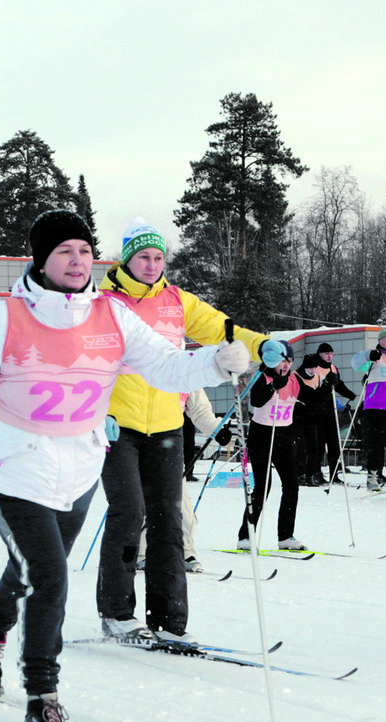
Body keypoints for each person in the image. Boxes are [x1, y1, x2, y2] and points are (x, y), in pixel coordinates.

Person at [0, 210, 249, 722]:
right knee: (50, 576)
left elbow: (165, 366)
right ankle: (43, 699)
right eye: (65, 251)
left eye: (85, 251)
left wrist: (215, 364)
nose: (77, 260)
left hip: (80, 467)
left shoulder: (112, 315)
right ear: (41, 260)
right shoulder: (4, 318)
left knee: (30, 572)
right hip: (13, 468)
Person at [95, 218, 271, 645]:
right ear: (126, 259)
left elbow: (223, 329)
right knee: (128, 513)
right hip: (117, 427)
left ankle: (169, 619)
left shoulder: (178, 302)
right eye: (143, 257)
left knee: (168, 520)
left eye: (158, 257)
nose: (152, 265)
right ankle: (117, 613)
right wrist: (93, 409)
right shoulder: (102, 303)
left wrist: (260, 345)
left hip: (169, 425)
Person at [138, 389, 230, 574]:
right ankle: (141, 554)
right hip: (137, 440)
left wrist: (217, 430)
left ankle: (185, 551)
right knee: (141, 500)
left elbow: (200, 411)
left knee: (180, 502)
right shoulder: (143, 363)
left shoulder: (188, 371)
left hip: (169, 442)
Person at [236, 342, 308, 550]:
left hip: (285, 434)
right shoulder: (262, 377)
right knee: (262, 487)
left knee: (291, 485)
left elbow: (310, 398)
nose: (286, 365)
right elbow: (257, 401)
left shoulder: (294, 379)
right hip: (262, 435)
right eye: (282, 360)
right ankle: (246, 536)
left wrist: (329, 383)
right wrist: (272, 387)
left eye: (290, 361)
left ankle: (285, 536)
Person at [351, 328, 386, 496]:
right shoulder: (375, 356)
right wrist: (369, 355)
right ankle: (372, 476)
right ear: (381, 339)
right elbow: (355, 362)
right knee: (376, 443)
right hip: (376, 406)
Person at [296, 343, 357, 485]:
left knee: (334, 445)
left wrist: (349, 394)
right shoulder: (313, 367)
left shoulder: (333, 368)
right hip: (317, 411)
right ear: (319, 354)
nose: (329, 356)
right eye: (326, 353)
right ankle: (315, 472)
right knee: (318, 445)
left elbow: (338, 384)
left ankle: (334, 474)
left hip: (330, 410)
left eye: (331, 353)